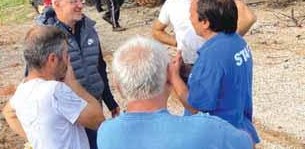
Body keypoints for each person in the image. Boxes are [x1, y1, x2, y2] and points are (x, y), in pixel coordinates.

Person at [97, 36, 253, 149]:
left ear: (118, 86)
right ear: (168, 79)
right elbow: (248, 144)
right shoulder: (208, 129)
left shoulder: (106, 132)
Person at [35, 0, 120, 149]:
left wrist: (111, 102)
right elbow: (33, 80)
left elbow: (99, 67)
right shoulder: (44, 36)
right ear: (57, 4)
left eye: (81, 0)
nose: (80, 5)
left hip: (93, 106)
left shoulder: (89, 28)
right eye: (73, 1)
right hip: (67, 114)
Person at [171, 0, 260, 145]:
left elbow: (195, 107)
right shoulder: (237, 42)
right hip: (240, 128)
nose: (190, 18)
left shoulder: (212, 57)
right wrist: (189, 71)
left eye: (191, 14)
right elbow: (224, 79)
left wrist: (174, 77)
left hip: (218, 138)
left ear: (205, 22)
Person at [152, 0, 257, 82]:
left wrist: (226, 44)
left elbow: (248, 16)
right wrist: (179, 42)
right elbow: (156, 31)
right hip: (189, 66)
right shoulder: (170, 3)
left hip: (217, 65)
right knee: (193, 101)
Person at [3, 25, 104, 149]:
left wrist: (35, 141)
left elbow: (9, 113)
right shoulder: (55, 91)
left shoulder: (22, 90)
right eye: (66, 55)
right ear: (52, 59)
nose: (69, 60)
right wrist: (73, 84)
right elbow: (98, 120)